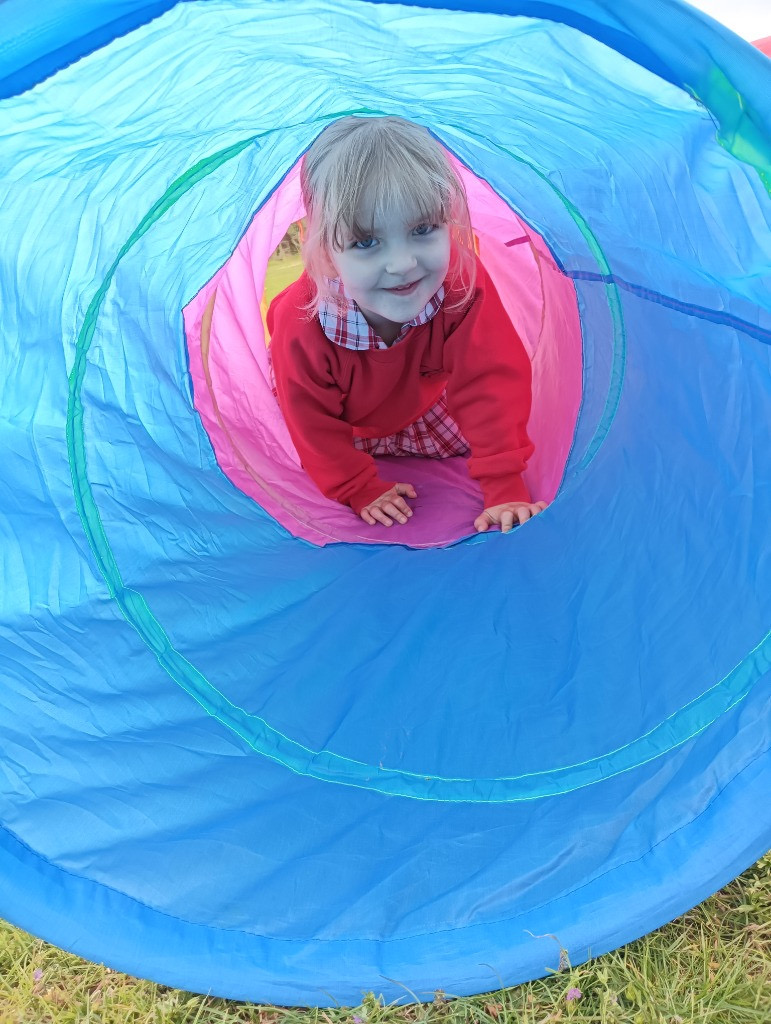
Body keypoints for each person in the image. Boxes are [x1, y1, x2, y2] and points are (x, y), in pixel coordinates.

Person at [268, 115, 547, 533]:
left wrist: (504, 485)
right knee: (295, 446)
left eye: (423, 229)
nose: (402, 265)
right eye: (366, 242)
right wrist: (356, 486)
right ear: (326, 251)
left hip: (424, 409)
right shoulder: (303, 323)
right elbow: (311, 420)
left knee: (484, 435)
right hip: (347, 427)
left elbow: (489, 381)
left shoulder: (458, 284)